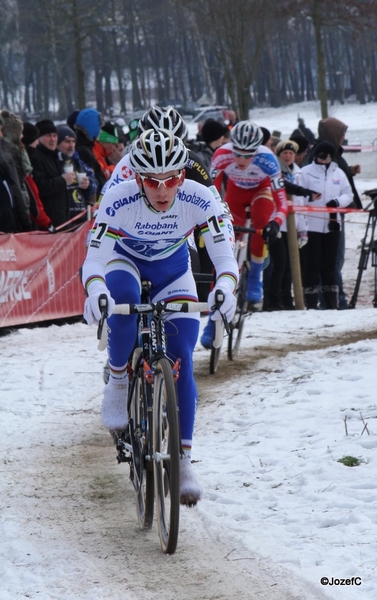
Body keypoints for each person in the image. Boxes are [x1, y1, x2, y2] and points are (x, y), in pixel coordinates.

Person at [81, 129, 238, 506]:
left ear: (183, 176)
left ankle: (182, 459)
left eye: (171, 179)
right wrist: (96, 289)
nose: (162, 189)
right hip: (125, 261)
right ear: (137, 177)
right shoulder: (119, 198)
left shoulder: (199, 197)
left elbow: (223, 256)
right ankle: (119, 381)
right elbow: (96, 258)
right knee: (124, 299)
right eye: (152, 181)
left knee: (182, 353)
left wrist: (226, 288)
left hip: (173, 270)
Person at [210, 120, 288, 305]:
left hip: (261, 190)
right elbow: (211, 192)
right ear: (231, 147)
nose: (242, 160)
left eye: (248, 155)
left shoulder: (268, 159)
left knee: (261, 222)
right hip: (235, 192)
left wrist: (276, 222)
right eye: (237, 154)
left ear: (257, 150)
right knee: (226, 233)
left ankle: (254, 277)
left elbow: (282, 201)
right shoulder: (221, 155)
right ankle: (217, 284)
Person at [300, 142, 353, 309]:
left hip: (332, 225)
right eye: (322, 156)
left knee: (329, 265)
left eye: (328, 157)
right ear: (316, 156)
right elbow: (298, 196)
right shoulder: (305, 173)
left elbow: (348, 194)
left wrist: (337, 202)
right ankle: (310, 301)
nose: (324, 160)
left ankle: (331, 301)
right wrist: (310, 198)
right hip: (312, 226)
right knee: (311, 265)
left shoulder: (338, 173)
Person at [30, 119, 73, 228]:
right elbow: (39, 187)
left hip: (60, 221)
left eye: (55, 135)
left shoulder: (54, 156)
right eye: (48, 135)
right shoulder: (35, 157)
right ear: (38, 138)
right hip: (46, 224)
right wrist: (63, 181)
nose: (53, 139)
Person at [0, 110, 33, 231]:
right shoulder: (8, 158)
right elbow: (17, 191)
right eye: (20, 132)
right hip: (11, 221)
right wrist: (26, 224)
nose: (22, 136)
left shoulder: (12, 155)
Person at [56, 124, 97, 219]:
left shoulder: (78, 162)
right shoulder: (54, 162)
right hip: (64, 219)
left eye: (73, 141)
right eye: (67, 141)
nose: (71, 145)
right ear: (57, 143)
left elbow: (95, 181)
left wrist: (89, 184)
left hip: (82, 217)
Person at [74, 108, 104, 197]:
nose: (100, 131)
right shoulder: (83, 151)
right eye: (99, 127)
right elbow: (94, 178)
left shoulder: (86, 147)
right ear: (93, 127)